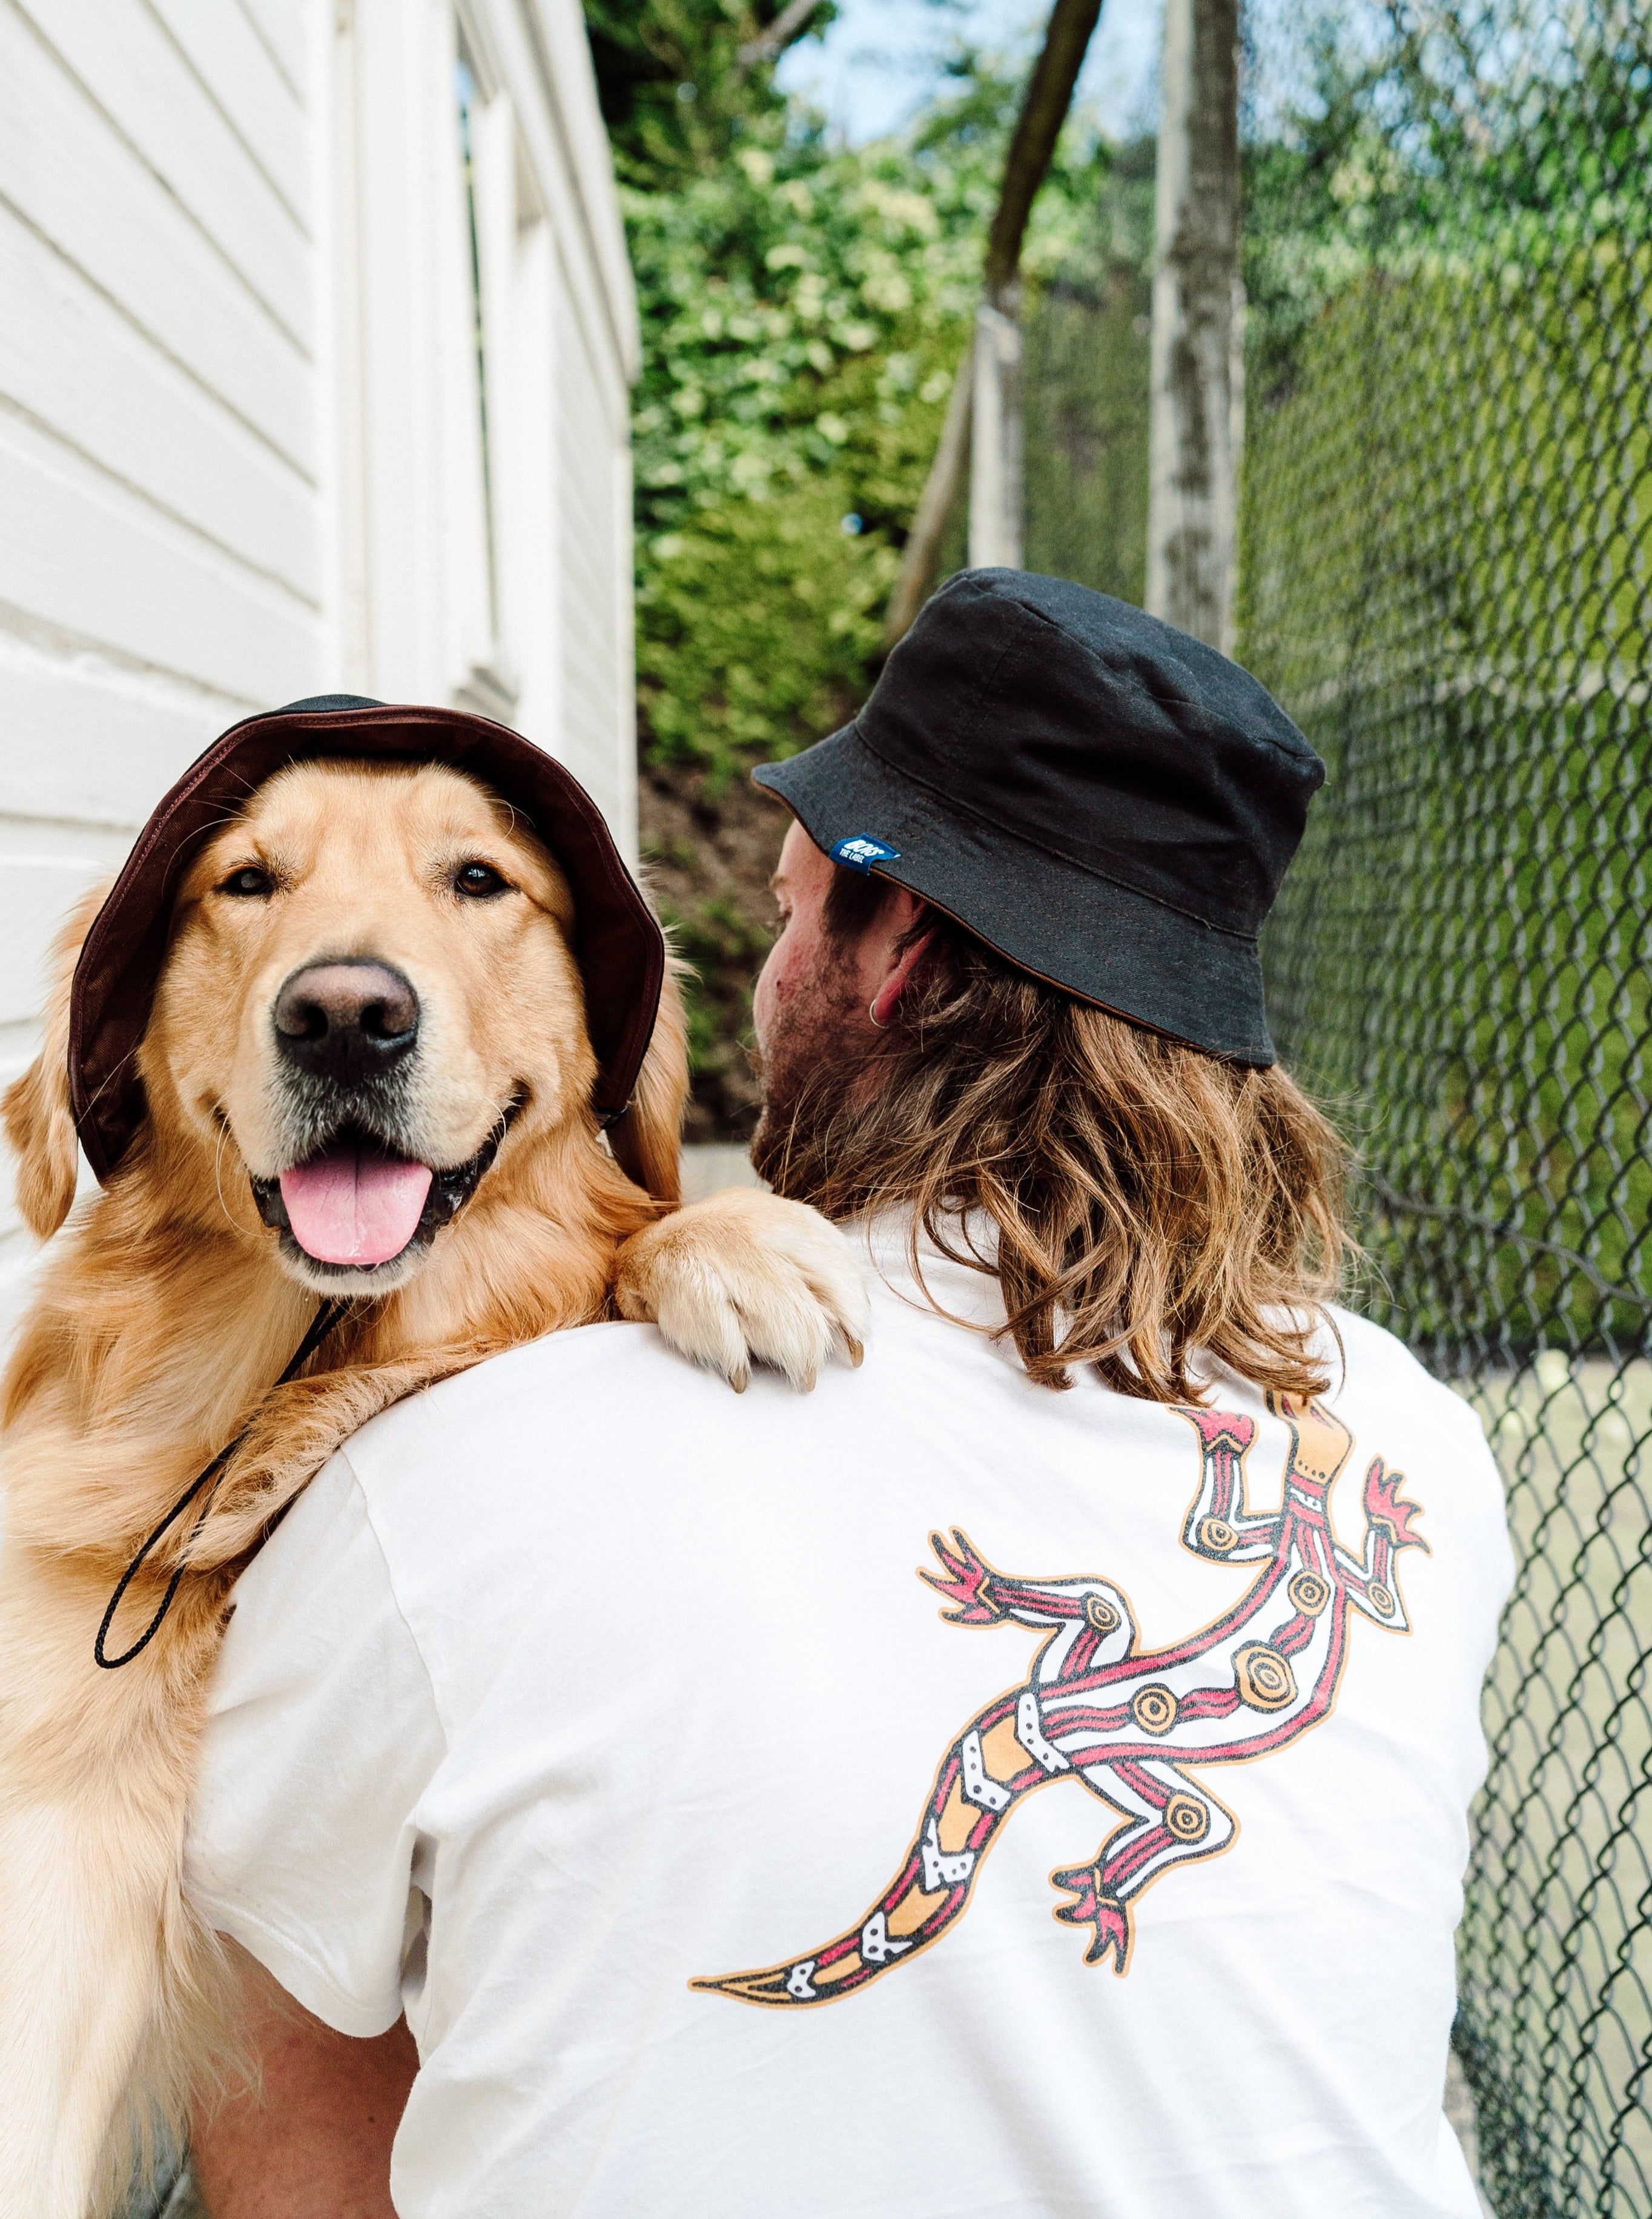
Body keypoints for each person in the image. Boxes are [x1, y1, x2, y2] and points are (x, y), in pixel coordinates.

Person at [183, 570, 1512, 2218]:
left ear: (900, 961)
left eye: (801, 911)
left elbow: (280, 2099)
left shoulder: (437, 1491)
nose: (761, 973)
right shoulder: (1414, 1448)